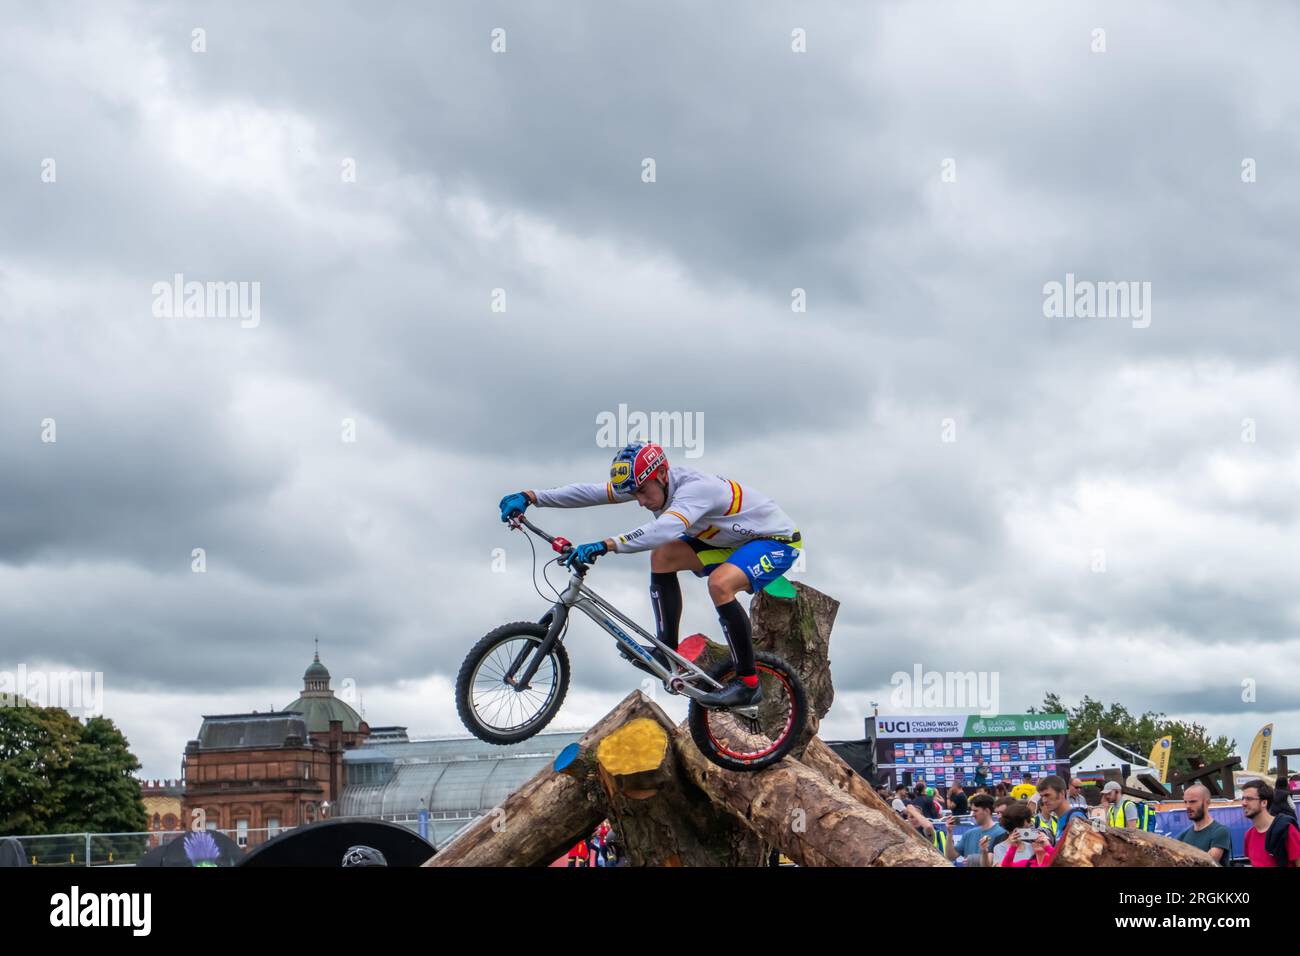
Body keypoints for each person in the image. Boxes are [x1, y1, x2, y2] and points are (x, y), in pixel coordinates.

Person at [500, 441, 802, 709]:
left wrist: (607, 545)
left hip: (774, 541)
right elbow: (591, 492)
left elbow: (663, 529)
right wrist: (531, 496)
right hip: (727, 541)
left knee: (720, 584)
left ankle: (748, 684)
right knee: (663, 558)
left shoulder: (695, 490)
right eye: (634, 495)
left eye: (643, 492)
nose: (641, 502)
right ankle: (665, 652)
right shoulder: (650, 483)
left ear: (661, 475)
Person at [1241, 780, 1300, 867]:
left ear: (1264, 802)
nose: (1243, 803)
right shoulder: (1249, 835)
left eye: (1249, 799)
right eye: (1243, 798)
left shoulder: (1286, 829)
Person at [1175, 784, 1231, 865]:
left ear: (1207, 802)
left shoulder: (1219, 832)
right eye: (1185, 802)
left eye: (1192, 801)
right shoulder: (1183, 836)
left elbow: (1207, 864)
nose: (1187, 806)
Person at [944, 793, 1004, 866]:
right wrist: (949, 833)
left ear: (987, 811)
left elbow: (1003, 860)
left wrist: (975, 860)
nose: (972, 814)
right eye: (972, 811)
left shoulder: (1001, 833)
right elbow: (950, 857)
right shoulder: (969, 834)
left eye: (976, 811)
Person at [1033, 775, 1090, 843]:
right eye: (1042, 796)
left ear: (1062, 794)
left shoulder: (1075, 818)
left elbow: (1082, 852)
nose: (1044, 800)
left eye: (1047, 795)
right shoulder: (1060, 819)